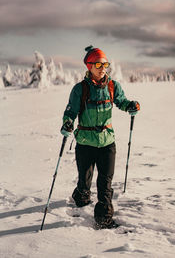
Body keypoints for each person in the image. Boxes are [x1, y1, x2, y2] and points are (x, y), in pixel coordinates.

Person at [61, 46, 140, 229]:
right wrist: (67, 123)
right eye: (98, 64)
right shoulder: (80, 89)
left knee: (105, 183)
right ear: (89, 66)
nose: (102, 67)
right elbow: (70, 112)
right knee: (85, 179)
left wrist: (131, 106)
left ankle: (104, 217)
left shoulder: (113, 86)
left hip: (107, 142)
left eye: (105, 64)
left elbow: (121, 102)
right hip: (85, 143)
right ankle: (81, 195)